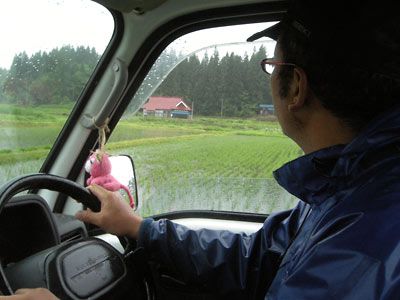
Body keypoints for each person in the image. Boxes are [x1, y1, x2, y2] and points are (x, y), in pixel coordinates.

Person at [2, 0, 400, 299]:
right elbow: (258, 257)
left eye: (272, 66)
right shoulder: (347, 190)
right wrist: (139, 228)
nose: (271, 78)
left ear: (295, 86)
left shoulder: (363, 249)